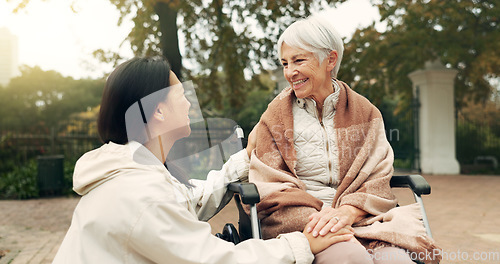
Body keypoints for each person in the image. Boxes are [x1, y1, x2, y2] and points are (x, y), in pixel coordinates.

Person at [52, 56, 354, 264]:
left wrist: (246, 159)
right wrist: (301, 244)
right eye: (181, 94)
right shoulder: (139, 194)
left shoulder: (133, 172)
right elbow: (213, 259)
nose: (188, 103)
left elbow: (187, 200)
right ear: (157, 112)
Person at [248, 15, 440, 264]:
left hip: (363, 218)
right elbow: (269, 185)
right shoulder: (275, 117)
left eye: (298, 60)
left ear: (330, 59)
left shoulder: (366, 113)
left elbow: (377, 177)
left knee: (397, 260)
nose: (290, 72)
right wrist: (324, 220)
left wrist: (347, 213)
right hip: (301, 222)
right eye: (285, 63)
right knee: (350, 256)